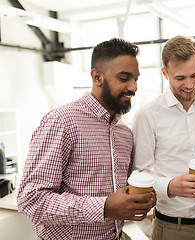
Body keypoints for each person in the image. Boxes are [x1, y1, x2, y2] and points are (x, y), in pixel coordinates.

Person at [17, 38, 156, 240]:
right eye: (124, 78)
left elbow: (122, 193)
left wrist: (142, 198)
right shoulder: (61, 122)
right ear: (97, 77)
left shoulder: (124, 132)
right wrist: (105, 207)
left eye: (136, 78)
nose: (133, 87)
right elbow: (31, 200)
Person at [131, 35, 195, 240]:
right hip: (173, 228)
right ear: (165, 73)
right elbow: (139, 174)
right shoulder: (148, 114)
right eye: (180, 78)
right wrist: (170, 186)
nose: (190, 84)